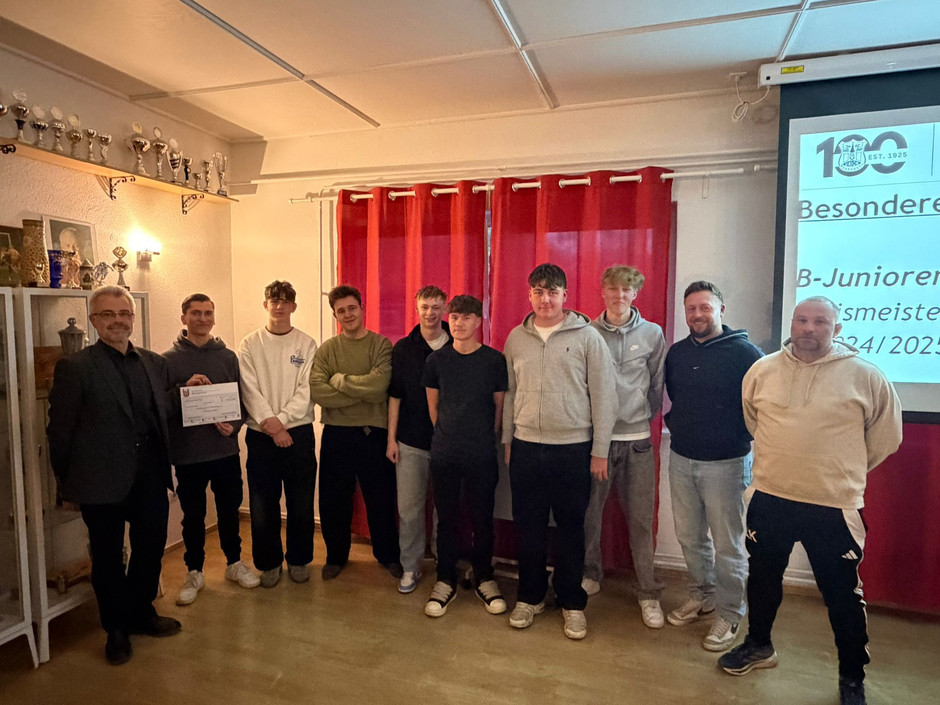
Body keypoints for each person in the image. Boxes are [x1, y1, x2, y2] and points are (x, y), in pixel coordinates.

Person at [719, 297, 902, 705]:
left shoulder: (866, 375)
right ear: (792, 324)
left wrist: (839, 470)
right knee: (762, 580)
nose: (808, 328)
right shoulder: (762, 371)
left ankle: (851, 676)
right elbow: (753, 421)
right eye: (801, 320)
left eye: (820, 322)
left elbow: (886, 437)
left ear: (837, 329)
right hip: (771, 497)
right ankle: (759, 645)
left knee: (842, 595)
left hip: (833, 505)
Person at [47, 286, 180, 665]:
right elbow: (60, 432)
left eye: (123, 313)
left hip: (150, 474)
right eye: (108, 314)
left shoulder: (154, 363)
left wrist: (191, 393)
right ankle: (116, 629)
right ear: (93, 320)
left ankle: (141, 612)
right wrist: (66, 486)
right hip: (99, 480)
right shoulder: (75, 367)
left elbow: (161, 412)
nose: (117, 320)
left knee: (150, 548)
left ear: (132, 319)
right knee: (107, 558)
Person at [502, 263, 617, 640]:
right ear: (529, 295)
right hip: (525, 447)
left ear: (565, 295)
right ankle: (530, 596)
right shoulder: (516, 338)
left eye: (552, 292)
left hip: (573, 449)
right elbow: (511, 393)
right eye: (538, 291)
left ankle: (571, 602)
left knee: (571, 529)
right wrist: (508, 440)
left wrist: (599, 450)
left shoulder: (588, 337)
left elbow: (604, 395)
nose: (545, 299)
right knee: (529, 527)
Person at [663, 280, 763, 652]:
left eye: (705, 307)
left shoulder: (746, 354)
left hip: (727, 464)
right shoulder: (676, 353)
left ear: (721, 310)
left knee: (728, 545)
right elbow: (676, 396)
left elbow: (759, 406)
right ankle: (702, 595)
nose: (698, 314)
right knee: (690, 537)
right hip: (682, 459)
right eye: (691, 308)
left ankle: (730, 612)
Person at [582, 265, 666, 628]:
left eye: (626, 289)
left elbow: (657, 384)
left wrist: (637, 417)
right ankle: (590, 573)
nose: (619, 295)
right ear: (603, 292)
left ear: (635, 294)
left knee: (640, 520)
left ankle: (648, 592)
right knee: (590, 514)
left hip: (638, 445)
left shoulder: (653, 334)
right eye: (613, 289)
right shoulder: (587, 332)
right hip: (597, 443)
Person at [164, 293, 259, 606]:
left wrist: (235, 425)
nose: (202, 319)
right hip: (188, 453)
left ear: (213, 318)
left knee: (230, 510)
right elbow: (161, 407)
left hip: (225, 450)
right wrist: (184, 390)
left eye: (208, 313)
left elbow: (242, 400)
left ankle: (234, 563)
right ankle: (194, 571)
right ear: (184, 318)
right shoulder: (167, 360)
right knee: (193, 515)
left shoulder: (228, 357)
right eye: (196, 313)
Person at [422, 295, 508, 618]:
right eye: (455, 317)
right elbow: (434, 408)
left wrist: (482, 438)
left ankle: (485, 576)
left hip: (482, 453)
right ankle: (445, 579)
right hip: (445, 453)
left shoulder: (494, 361)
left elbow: (499, 410)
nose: (459, 323)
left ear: (478, 321)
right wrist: (450, 436)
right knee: (446, 519)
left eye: (466, 317)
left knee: (482, 518)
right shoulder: (436, 361)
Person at [310, 285, 401, 580]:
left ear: (362, 308)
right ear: (334, 315)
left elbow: (379, 386)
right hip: (336, 434)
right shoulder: (327, 349)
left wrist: (339, 381)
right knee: (334, 500)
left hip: (373, 434)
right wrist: (362, 394)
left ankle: (388, 555)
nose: (347, 314)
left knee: (381, 499)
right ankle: (335, 557)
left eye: (352, 308)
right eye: (341, 311)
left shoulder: (380, 345)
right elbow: (318, 392)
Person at [238, 281, 318, 588]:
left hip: (298, 433)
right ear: (266, 304)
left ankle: (299, 559)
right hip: (260, 435)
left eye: (286, 301)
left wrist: (281, 422)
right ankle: (269, 563)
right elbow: (248, 388)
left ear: (294, 307)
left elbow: (307, 390)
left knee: (301, 501)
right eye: (274, 300)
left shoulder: (306, 344)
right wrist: (270, 424)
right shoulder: (250, 343)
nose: (280, 306)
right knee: (262, 503)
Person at [387, 285, 451, 594]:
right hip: (410, 442)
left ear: (445, 308)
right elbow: (395, 396)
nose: (430, 313)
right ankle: (411, 566)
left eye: (436, 307)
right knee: (409, 510)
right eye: (425, 307)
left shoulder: (458, 343)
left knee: (444, 510)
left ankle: (443, 564)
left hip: (448, 443)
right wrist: (391, 439)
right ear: (417, 309)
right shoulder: (402, 349)